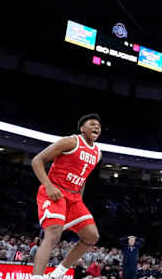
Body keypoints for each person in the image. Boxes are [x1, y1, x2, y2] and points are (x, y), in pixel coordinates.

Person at [30, 114, 103, 279]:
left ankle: (57, 274)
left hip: (74, 197)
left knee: (92, 236)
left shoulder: (97, 153)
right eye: (92, 124)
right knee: (53, 234)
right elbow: (37, 160)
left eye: (99, 126)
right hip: (55, 190)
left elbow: (82, 178)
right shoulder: (71, 141)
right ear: (82, 128)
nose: (96, 127)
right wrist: (48, 185)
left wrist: (80, 199)